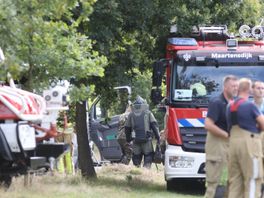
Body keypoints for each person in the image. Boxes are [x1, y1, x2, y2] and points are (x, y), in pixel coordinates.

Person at [226, 78, 264, 198]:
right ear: (249, 90)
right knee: (253, 179)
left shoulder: (229, 106)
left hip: (233, 143)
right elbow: (262, 124)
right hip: (249, 143)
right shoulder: (250, 106)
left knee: (235, 181)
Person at [204, 75, 238, 198]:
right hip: (217, 146)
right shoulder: (217, 102)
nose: (235, 89)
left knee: (230, 185)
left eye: (237, 86)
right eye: (233, 86)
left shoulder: (233, 103)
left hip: (230, 146)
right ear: (225, 87)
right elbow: (208, 124)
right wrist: (226, 135)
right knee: (214, 187)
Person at [125, 95, 160, 168]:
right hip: (146, 140)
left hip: (135, 141)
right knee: (148, 156)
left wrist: (128, 139)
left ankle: (137, 172)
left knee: (136, 157)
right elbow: (154, 126)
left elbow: (127, 128)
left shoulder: (131, 115)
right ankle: (146, 171)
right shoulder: (148, 113)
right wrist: (158, 137)